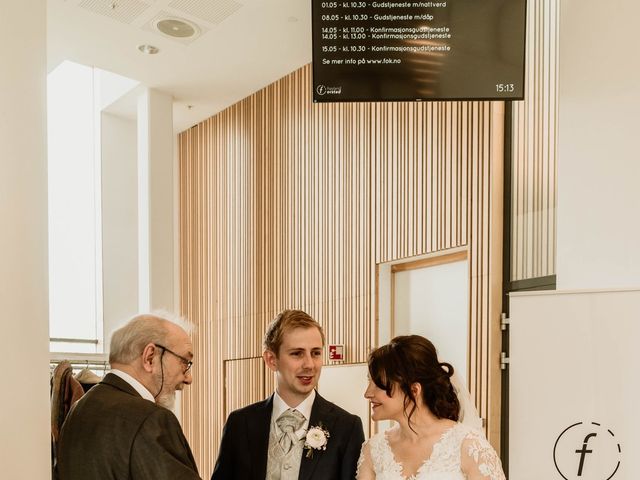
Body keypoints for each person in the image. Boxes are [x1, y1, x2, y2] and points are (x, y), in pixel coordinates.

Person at [212, 309, 365, 480]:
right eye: (297, 354)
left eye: (315, 353)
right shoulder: (240, 423)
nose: (309, 365)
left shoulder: (347, 427)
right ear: (271, 360)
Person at [56, 313, 201, 480]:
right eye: (184, 362)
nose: (188, 378)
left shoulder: (78, 410)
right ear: (150, 357)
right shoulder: (151, 420)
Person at [356, 335, 505, 480]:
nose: (368, 393)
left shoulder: (468, 445)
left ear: (414, 390)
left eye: (378, 384)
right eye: (370, 382)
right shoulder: (374, 450)